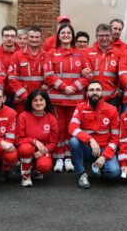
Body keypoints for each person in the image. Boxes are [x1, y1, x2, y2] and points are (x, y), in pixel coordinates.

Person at [43, 23, 92, 173]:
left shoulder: (80, 53)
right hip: (57, 98)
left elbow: (88, 76)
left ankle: (69, 157)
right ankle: (58, 158)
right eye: (63, 33)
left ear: (73, 36)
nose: (65, 35)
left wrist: (75, 86)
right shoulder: (51, 53)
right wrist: (65, 87)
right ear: (58, 35)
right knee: (58, 129)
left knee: (72, 129)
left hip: (75, 100)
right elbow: (48, 75)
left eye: (68, 33)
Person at [69, 80, 121, 189]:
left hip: (104, 149)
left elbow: (116, 138)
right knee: (74, 141)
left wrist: (104, 156)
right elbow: (72, 128)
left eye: (98, 90)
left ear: (102, 93)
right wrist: (90, 140)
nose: (95, 92)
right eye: (91, 90)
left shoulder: (112, 110)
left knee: (114, 173)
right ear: (87, 93)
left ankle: (99, 165)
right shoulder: (80, 107)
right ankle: (82, 174)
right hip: (87, 148)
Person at [16, 90, 59, 187]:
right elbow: (18, 139)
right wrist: (34, 141)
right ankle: (25, 176)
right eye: (35, 100)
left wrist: (43, 151)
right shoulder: (23, 116)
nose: (39, 103)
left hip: (43, 150)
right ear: (30, 103)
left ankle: (36, 170)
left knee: (45, 166)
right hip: (27, 147)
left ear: (46, 101)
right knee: (26, 149)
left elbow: (53, 143)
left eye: (41, 100)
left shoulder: (51, 119)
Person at [8, 27, 47, 112]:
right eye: (31, 37)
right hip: (21, 101)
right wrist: (25, 96)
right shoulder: (17, 55)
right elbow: (12, 79)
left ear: (41, 39)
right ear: (27, 38)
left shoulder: (47, 56)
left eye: (37, 37)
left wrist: (38, 97)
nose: (34, 39)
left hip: (40, 102)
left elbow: (49, 79)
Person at [83, 23, 122, 107]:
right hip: (93, 96)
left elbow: (121, 76)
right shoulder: (87, 52)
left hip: (112, 98)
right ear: (96, 36)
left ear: (111, 36)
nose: (104, 38)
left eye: (107, 35)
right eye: (101, 35)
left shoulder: (118, 54)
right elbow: (85, 74)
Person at [0, 25, 19, 108]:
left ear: (16, 38)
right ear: (2, 37)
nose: (9, 38)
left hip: (17, 94)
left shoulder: (22, 53)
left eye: (12, 36)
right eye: (6, 36)